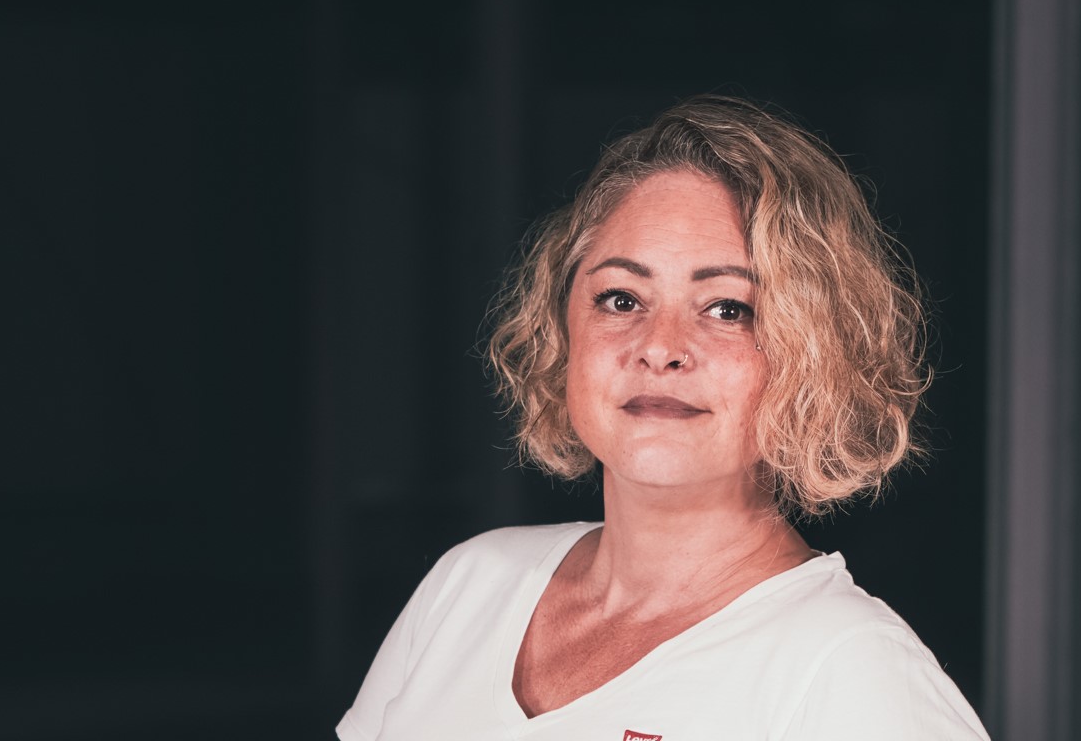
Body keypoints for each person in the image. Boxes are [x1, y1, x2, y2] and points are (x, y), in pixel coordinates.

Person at [336, 96, 989, 740]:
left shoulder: (850, 670)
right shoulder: (470, 584)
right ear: (560, 330)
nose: (658, 346)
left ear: (816, 355)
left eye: (728, 309)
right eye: (621, 299)